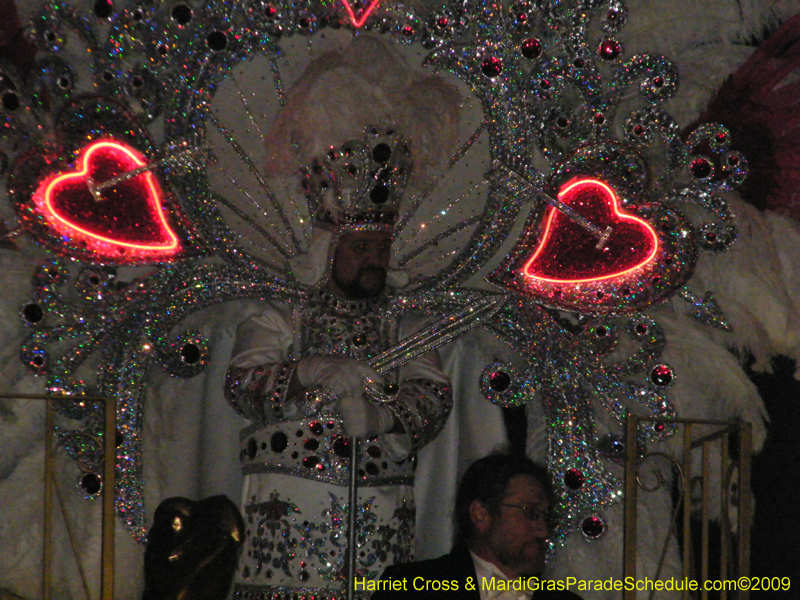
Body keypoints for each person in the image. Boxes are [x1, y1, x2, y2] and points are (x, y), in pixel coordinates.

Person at [224, 133, 454, 600]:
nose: (374, 261)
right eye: (359, 249)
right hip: (286, 522)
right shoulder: (280, 317)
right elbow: (241, 384)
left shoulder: (404, 326)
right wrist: (307, 370)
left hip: (379, 513)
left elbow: (433, 395)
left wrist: (384, 417)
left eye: (381, 249)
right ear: (328, 251)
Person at [370, 454, 583, 600]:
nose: (543, 531)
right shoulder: (411, 589)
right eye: (531, 513)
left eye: (547, 518)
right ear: (481, 515)